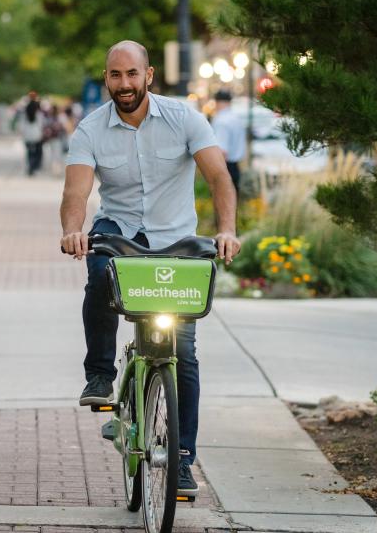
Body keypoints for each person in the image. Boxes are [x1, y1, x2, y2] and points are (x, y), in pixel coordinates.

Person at [59, 41, 240, 497]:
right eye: (116, 75)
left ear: (149, 75)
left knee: (184, 354)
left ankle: (182, 460)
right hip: (119, 230)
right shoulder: (91, 129)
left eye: (132, 74)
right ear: (107, 79)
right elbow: (76, 193)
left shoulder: (184, 119)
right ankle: (99, 374)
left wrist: (228, 230)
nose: (125, 84)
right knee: (100, 271)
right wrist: (73, 230)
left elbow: (218, 176)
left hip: (176, 239)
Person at [209, 89, 246, 198]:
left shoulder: (221, 120)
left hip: (225, 167)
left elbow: (222, 151)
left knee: (223, 206)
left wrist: (215, 174)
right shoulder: (236, 118)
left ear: (217, 102)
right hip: (235, 166)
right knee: (233, 206)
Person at [18, 92, 45, 176]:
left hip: (27, 135)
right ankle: (34, 167)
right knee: (36, 152)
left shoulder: (24, 114)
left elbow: (21, 125)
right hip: (37, 134)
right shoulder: (39, 114)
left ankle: (29, 166)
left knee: (29, 152)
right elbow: (41, 125)